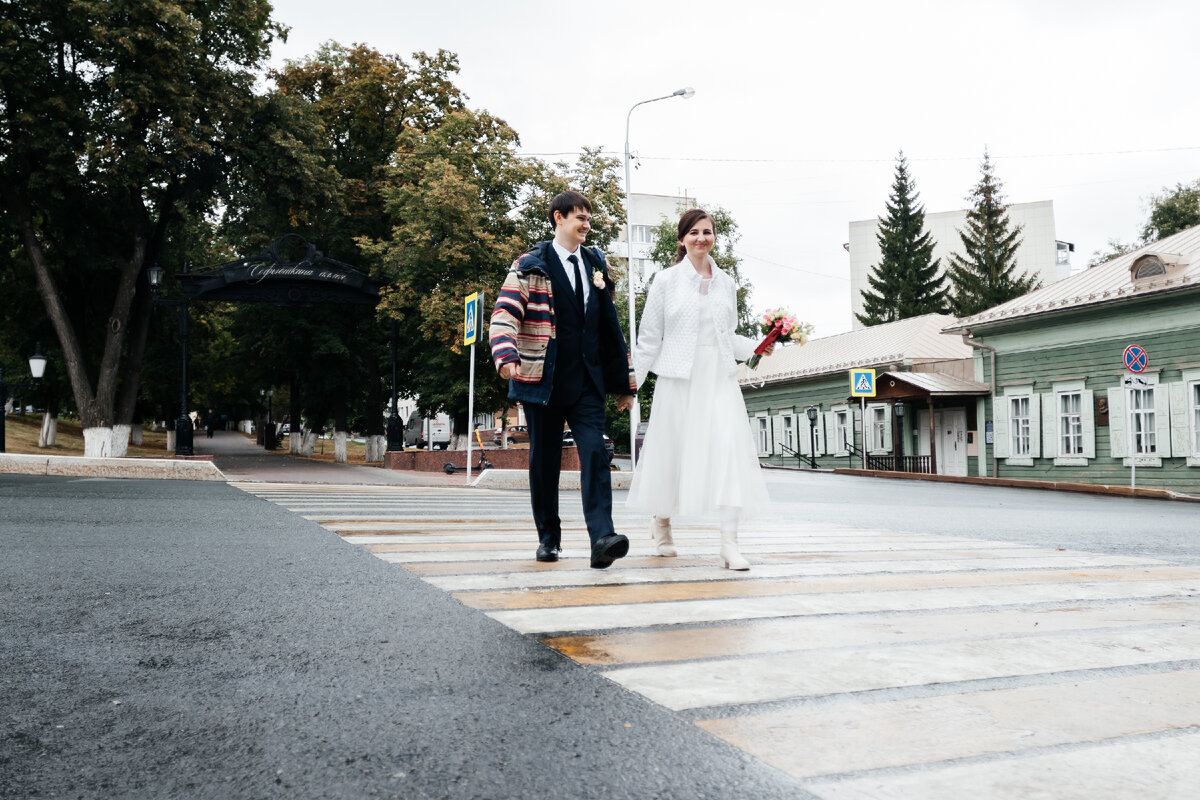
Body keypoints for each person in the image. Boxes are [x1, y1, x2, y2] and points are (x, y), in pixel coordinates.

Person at [490, 191, 636, 569]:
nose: (586, 224)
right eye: (579, 217)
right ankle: (548, 539)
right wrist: (505, 353)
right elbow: (505, 311)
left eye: (588, 217)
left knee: (595, 452)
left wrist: (624, 382)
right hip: (544, 379)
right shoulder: (530, 264)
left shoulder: (596, 263)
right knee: (544, 463)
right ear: (558, 218)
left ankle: (602, 537)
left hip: (588, 381)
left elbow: (610, 326)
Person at [627, 208, 773, 570]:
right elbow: (648, 339)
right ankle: (661, 524)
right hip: (678, 378)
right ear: (682, 239)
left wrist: (758, 347)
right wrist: (631, 384)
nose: (701, 238)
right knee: (671, 452)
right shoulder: (665, 281)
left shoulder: (727, 282)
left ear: (714, 237)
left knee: (728, 451)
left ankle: (729, 543)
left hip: (718, 378)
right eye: (694, 232)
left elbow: (728, 335)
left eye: (707, 232)